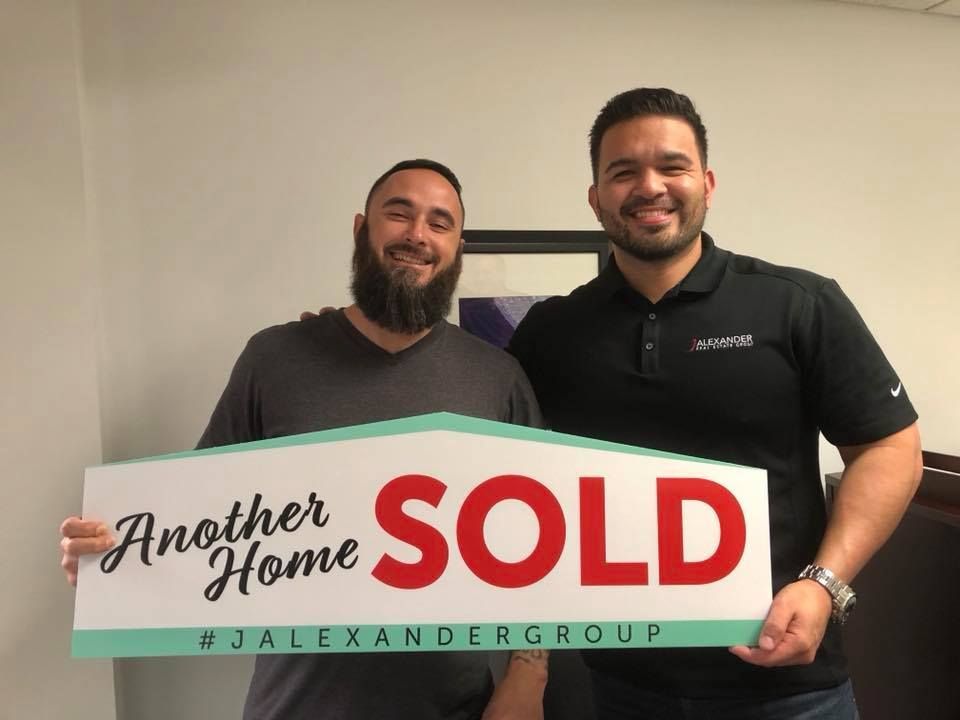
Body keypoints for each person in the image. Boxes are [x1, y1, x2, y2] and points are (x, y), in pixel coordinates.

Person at [60, 159, 549, 720]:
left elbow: (540, 547)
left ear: (457, 248)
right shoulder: (274, 359)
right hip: (294, 705)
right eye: (399, 213)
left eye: (440, 223)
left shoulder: (496, 378)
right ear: (361, 228)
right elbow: (194, 527)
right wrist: (113, 558)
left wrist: (528, 674)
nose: (418, 234)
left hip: (455, 705)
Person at [506, 88, 922, 719]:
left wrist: (824, 586)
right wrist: (347, 334)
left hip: (789, 688)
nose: (650, 187)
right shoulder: (551, 331)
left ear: (706, 181)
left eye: (671, 166)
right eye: (623, 172)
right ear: (596, 198)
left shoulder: (797, 303)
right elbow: (498, 461)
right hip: (616, 687)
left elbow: (889, 448)